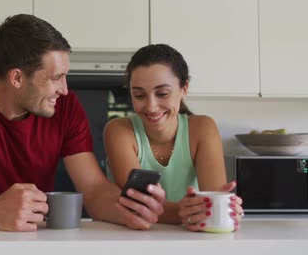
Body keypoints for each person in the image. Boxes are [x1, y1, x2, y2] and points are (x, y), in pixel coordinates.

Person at [0, 14, 165, 232]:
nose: (64, 90)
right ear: (17, 78)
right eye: (56, 78)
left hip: (33, 241)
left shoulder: (67, 108)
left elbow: (95, 190)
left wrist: (130, 210)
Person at [103, 44, 244, 231]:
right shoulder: (119, 131)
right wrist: (191, 213)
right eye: (139, 95)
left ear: (184, 88)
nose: (151, 106)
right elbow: (141, 206)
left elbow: (214, 205)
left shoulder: (203, 129)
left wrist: (226, 209)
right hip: (133, 240)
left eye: (162, 94)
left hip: (190, 240)